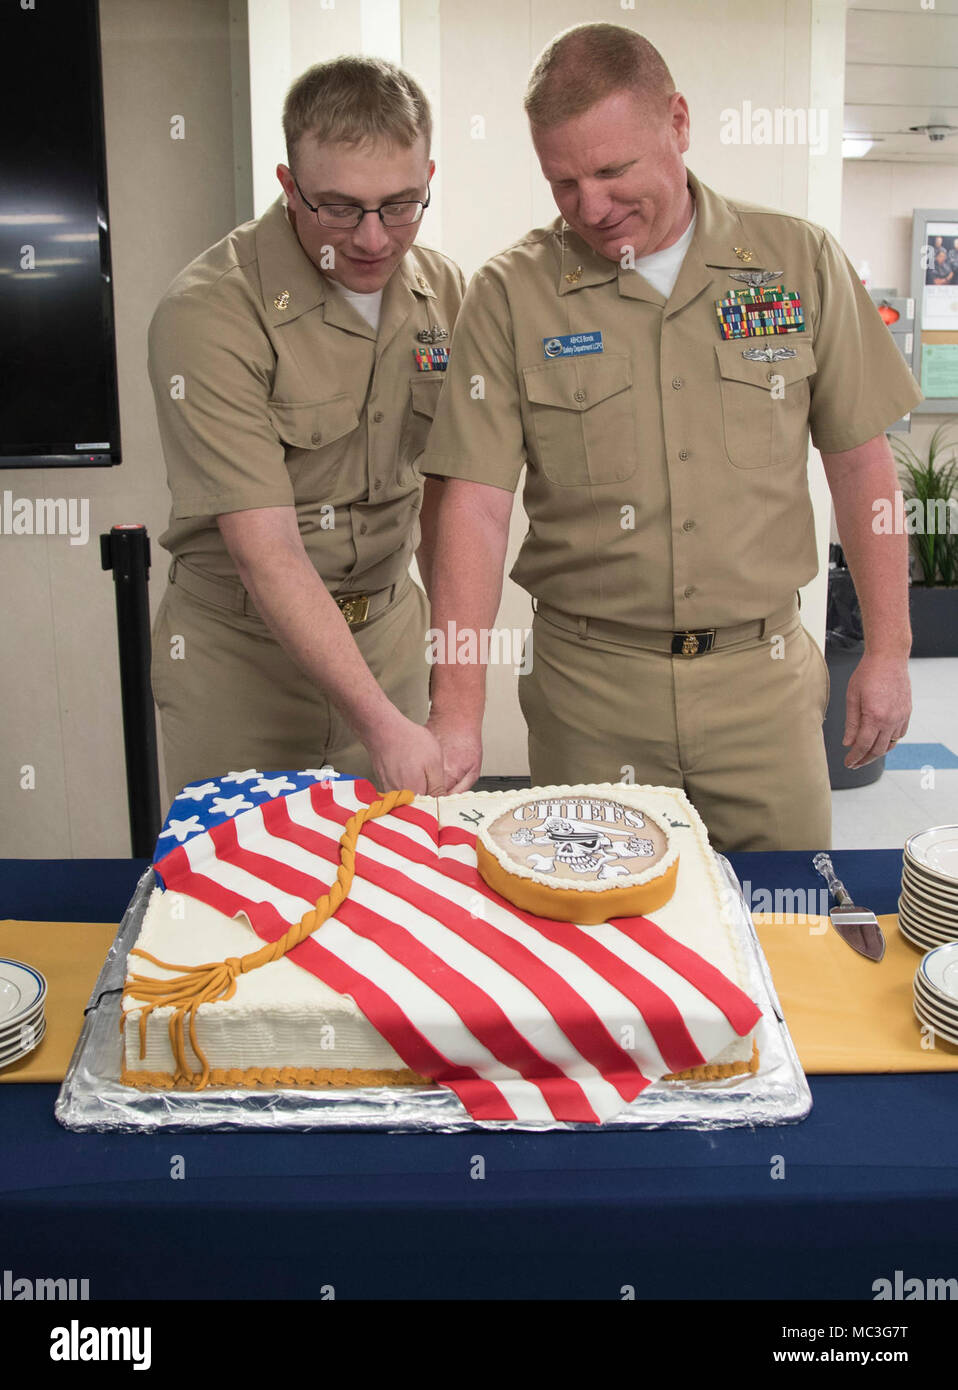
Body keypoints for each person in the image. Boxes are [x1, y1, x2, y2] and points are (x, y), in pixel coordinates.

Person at [421, 23, 922, 852]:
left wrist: (891, 652)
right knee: (600, 957)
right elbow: (470, 509)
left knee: (784, 932)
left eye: (613, 170)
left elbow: (862, 467)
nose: (591, 206)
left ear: (678, 125)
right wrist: (457, 709)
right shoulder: (512, 295)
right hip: (590, 693)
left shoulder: (796, 264)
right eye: (563, 181)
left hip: (761, 687)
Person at [148, 56, 463, 800]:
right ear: (289, 186)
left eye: (401, 204)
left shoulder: (445, 290)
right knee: (242, 896)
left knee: (389, 893)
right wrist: (384, 727)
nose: (374, 239)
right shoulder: (210, 313)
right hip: (243, 661)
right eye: (340, 207)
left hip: (389, 636)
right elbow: (269, 554)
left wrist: (451, 697)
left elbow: (449, 504)